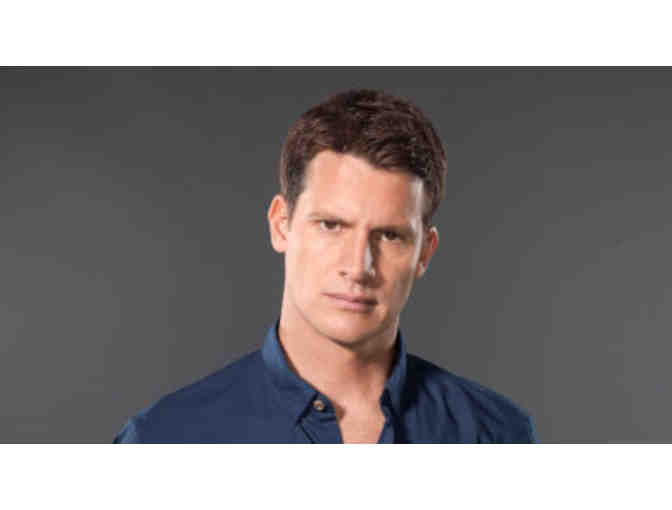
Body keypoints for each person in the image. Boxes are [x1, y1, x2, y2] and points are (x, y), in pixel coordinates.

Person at [114, 89, 538, 443]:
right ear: (281, 225)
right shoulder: (165, 441)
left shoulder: (497, 437)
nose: (359, 266)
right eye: (332, 225)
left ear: (424, 253)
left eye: (390, 235)